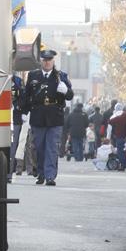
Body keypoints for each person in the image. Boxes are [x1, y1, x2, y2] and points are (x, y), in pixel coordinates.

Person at [21, 48, 73, 186]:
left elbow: (70, 96)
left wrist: (66, 90)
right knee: (39, 147)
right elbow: (27, 96)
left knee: (52, 147)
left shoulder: (61, 76)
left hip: (54, 116)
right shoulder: (33, 76)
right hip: (38, 115)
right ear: (41, 61)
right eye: (44, 60)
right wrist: (24, 112)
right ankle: (41, 173)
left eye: (49, 60)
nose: (47, 62)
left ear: (53, 61)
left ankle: (50, 176)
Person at [109, 106, 126, 171]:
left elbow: (110, 121)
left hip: (120, 136)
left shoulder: (120, 117)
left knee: (120, 151)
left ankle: (123, 165)